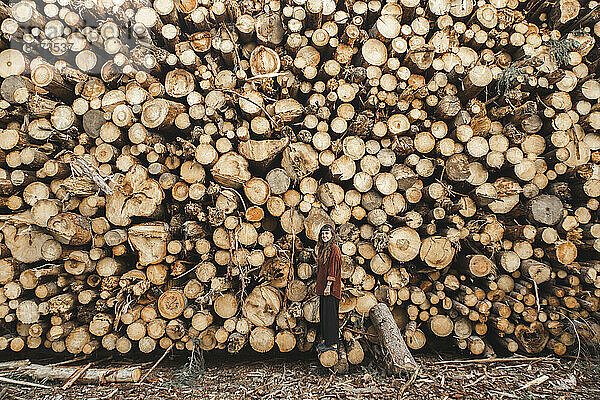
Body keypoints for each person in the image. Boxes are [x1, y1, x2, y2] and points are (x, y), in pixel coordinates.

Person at [314, 224, 342, 353]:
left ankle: (333, 344)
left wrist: (328, 286)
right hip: (324, 289)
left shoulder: (334, 249)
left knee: (331, 317)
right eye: (323, 234)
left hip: (331, 290)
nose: (324, 236)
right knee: (325, 316)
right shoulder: (324, 249)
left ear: (332, 235)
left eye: (327, 234)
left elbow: (333, 269)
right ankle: (327, 341)